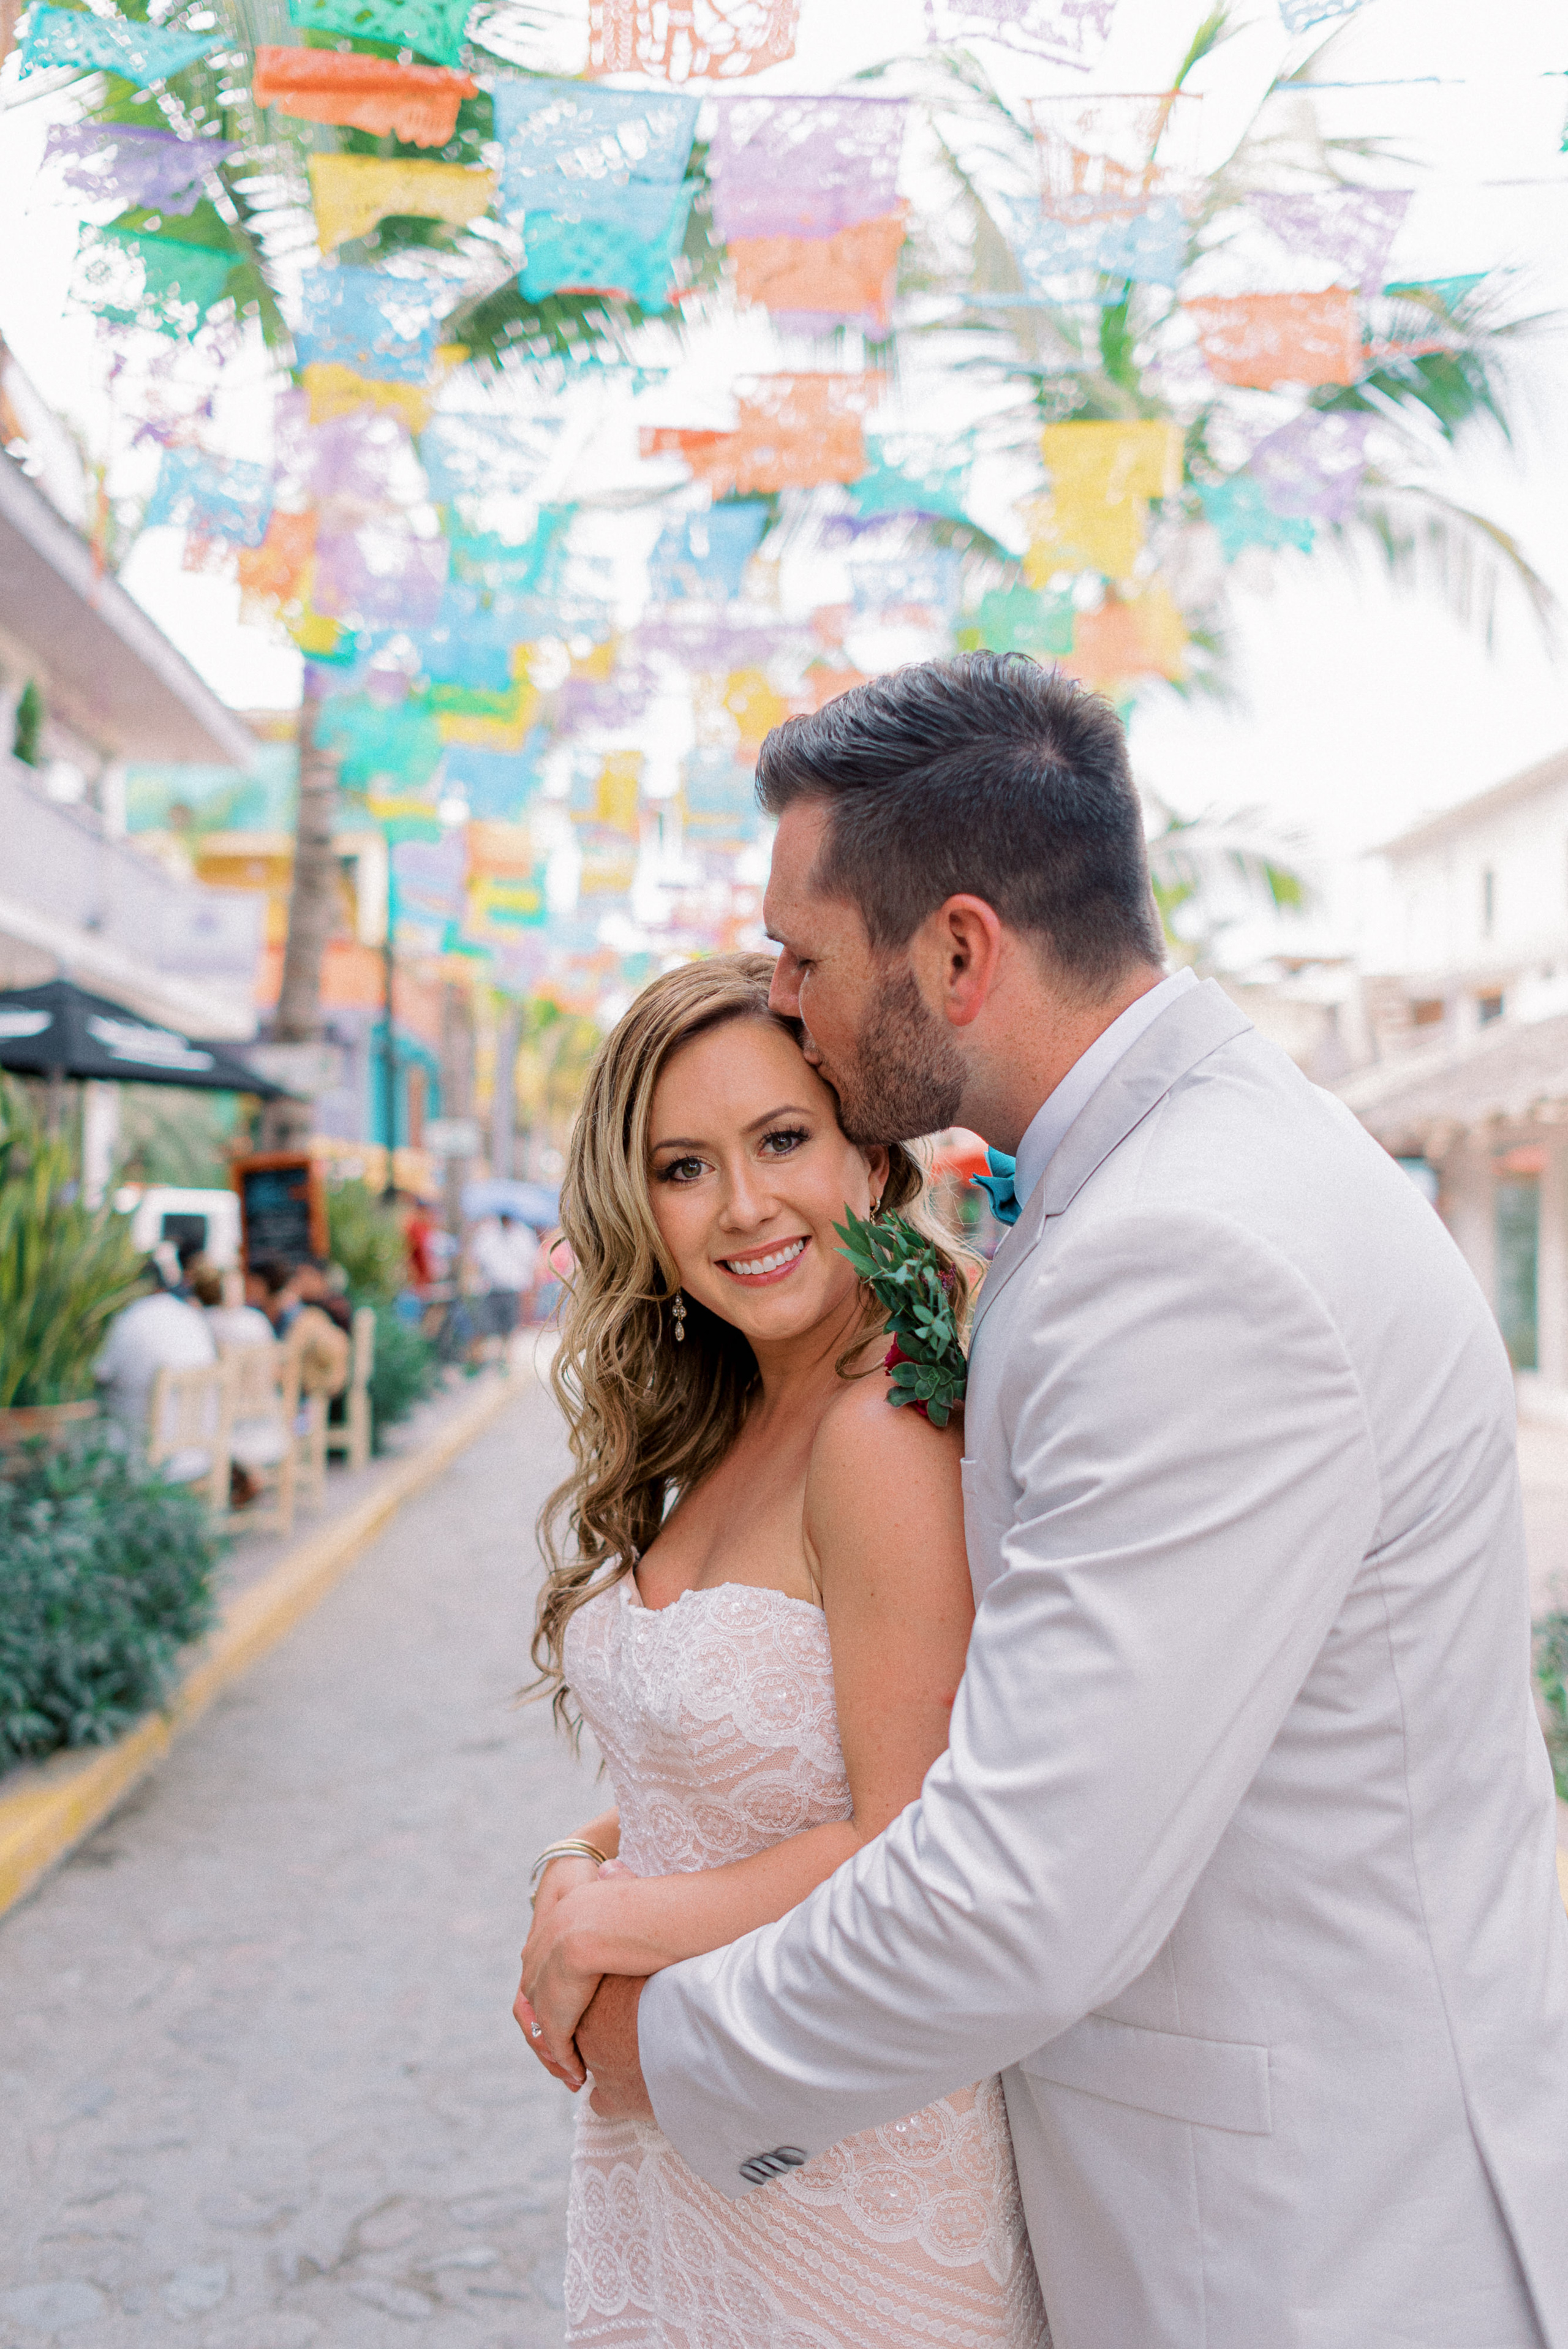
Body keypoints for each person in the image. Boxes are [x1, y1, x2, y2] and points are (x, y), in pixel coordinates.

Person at [557, 655, 1568, 2349]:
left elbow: (1018, 1889)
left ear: (956, 950)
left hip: (1299, 2255)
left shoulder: (1188, 1248)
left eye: (804, 960)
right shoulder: (1166, 1184)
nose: (784, 1001)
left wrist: (645, 2042)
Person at [514, 954, 1047, 2345]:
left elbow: (905, 1825)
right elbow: (761, 1763)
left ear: (871, 1156)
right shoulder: (738, 1416)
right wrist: (578, 1859)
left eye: (782, 1139)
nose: (743, 1204)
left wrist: (614, 1920)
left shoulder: (880, 1430)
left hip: (845, 2176)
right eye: (684, 1164)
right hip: (685, 2159)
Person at [93, 1246, 217, 1482]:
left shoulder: (130, 1318)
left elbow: (102, 1375)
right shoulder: (191, 1316)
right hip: (201, 1452)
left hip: (146, 1456)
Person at [469, 1208, 538, 1352]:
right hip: (492, 1288)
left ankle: (504, 1358)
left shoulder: (523, 1235)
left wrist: (530, 1291)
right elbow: (477, 1259)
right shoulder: (487, 1233)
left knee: (509, 1329)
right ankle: (479, 1360)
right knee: (484, 1328)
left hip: (512, 1289)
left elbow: (531, 1263)